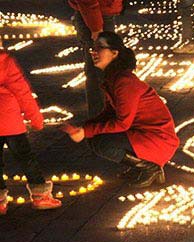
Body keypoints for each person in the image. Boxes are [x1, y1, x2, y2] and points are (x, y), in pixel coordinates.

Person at [62, 32, 179, 188]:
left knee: (103, 143)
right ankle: (141, 166)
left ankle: (149, 167)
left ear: (115, 53)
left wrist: (87, 130)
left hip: (157, 140)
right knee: (96, 138)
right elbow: (110, 112)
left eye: (100, 48)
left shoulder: (124, 82)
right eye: (93, 48)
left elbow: (122, 123)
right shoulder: (114, 78)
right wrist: (84, 128)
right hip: (144, 135)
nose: (94, 52)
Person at [0, 45, 61, 214]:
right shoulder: (5, 61)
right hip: (10, 123)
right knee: (26, 159)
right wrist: (36, 119)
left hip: (9, 121)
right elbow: (22, 92)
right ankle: (40, 195)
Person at [69, 0, 123, 116]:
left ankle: (106, 113)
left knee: (105, 69)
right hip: (95, 18)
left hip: (102, 14)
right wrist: (96, 28)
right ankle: (99, 117)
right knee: (98, 71)